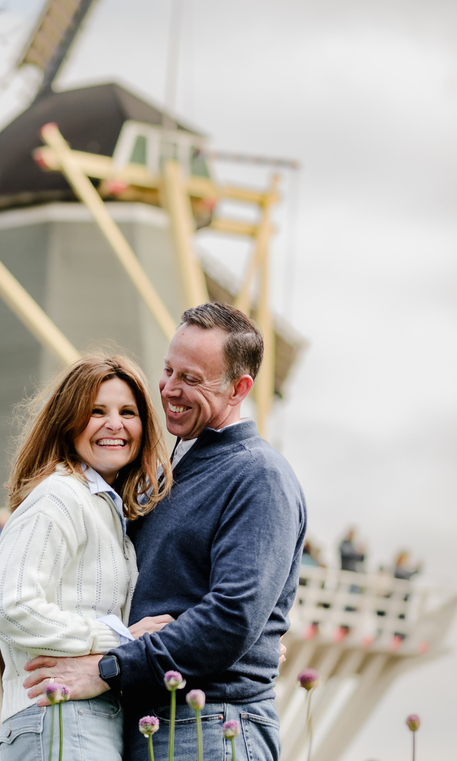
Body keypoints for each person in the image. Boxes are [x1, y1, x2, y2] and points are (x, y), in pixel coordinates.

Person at [22, 302, 307, 761]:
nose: (170, 389)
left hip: (211, 725)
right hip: (152, 723)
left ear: (240, 388)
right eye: (168, 370)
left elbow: (232, 616)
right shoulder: (161, 479)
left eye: (192, 379)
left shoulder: (257, 475)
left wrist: (109, 668)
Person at [0, 354, 173, 761]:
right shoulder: (59, 496)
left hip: (86, 715)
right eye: (96, 411)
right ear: (69, 422)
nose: (115, 424)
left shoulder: (108, 510)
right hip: (59, 713)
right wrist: (119, 639)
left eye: (128, 412)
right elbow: (7, 606)